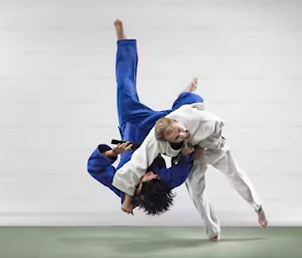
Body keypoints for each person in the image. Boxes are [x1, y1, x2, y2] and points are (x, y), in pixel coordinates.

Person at [111, 20, 268, 242]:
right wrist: (186, 152)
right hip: (165, 130)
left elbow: (209, 122)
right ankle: (214, 230)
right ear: (153, 178)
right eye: (143, 179)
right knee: (197, 190)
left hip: (183, 132)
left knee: (233, 173)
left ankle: (257, 206)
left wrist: (126, 199)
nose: (143, 175)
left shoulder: (191, 120)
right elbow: (138, 162)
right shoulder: (163, 153)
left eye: (181, 130)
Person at [87, 19, 203, 216]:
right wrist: (187, 154)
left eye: (147, 177)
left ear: (138, 190)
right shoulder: (166, 180)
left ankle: (123, 43)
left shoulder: (122, 188)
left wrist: (112, 154)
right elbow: (184, 166)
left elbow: (94, 169)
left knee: (125, 87)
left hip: (132, 128)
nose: (150, 173)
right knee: (191, 108)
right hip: (158, 132)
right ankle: (183, 96)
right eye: (153, 176)